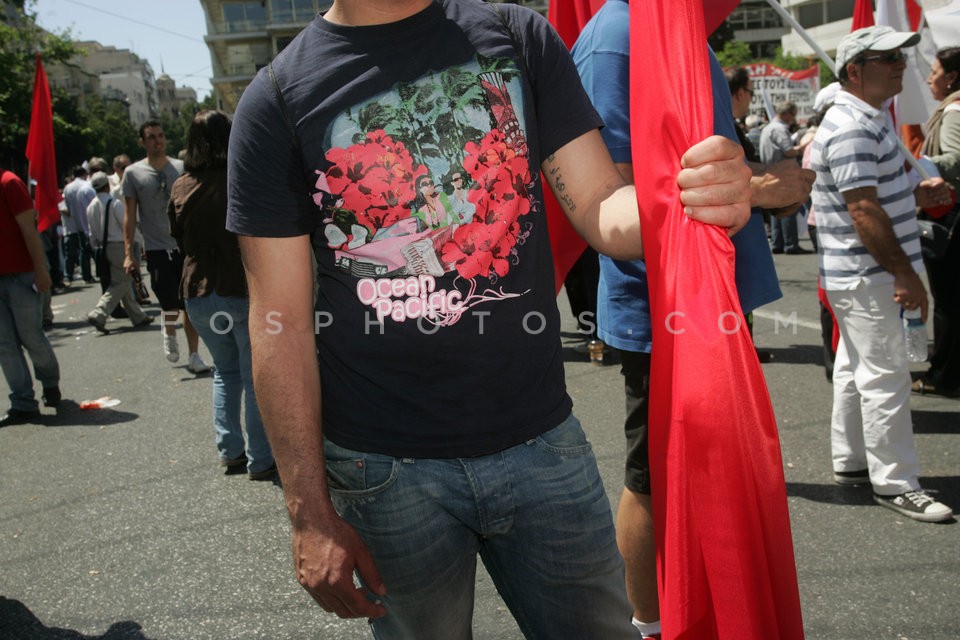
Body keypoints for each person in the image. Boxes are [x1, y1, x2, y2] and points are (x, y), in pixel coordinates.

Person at [226, 0, 752, 636]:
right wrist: (308, 513)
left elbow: (598, 201)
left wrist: (686, 200)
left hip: (542, 441)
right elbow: (277, 321)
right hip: (383, 469)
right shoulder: (276, 98)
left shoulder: (515, 35)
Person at [573, 8, 812, 637]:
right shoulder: (617, 37)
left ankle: (702, 604)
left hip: (714, 293)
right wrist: (765, 187)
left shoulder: (678, 33)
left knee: (707, 473)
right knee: (652, 476)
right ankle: (650, 624)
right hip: (666, 304)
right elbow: (621, 190)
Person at [811, 26, 954, 522]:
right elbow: (863, 210)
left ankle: (852, 459)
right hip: (869, 274)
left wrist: (916, 197)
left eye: (900, 56)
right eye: (886, 57)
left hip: (857, 273)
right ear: (854, 70)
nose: (899, 65)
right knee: (885, 376)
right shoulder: (853, 125)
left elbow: (869, 199)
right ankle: (896, 481)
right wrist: (904, 274)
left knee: (856, 367)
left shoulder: (862, 118)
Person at [168, 110, 275, 481]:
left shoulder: (181, 184)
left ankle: (230, 450)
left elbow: (178, 238)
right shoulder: (241, 178)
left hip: (196, 291)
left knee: (224, 373)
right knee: (252, 375)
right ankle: (260, 459)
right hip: (238, 287)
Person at [122, 119, 211, 374]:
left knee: (190, 302)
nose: (157, 141)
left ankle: (194, 354)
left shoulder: (181, 167)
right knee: (169, 303)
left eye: (160, 135)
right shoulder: (133, 173)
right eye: (151, 137)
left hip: (185, 246)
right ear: (142, 141)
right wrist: (129, 253)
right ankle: (169, 331)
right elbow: (130, 215)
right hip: (157, 248)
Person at [915, 46, 960, 397]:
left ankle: (945, 375)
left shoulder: (954, 111)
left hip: (950, 215)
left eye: (935, 70)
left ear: (952, 77)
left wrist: (920, 167)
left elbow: (955, 159)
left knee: (948, 301)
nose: (930, 77)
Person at [0, 167, 61, 427]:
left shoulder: (9, 183)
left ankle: (50, 382)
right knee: (5, 345)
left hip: (21, 276)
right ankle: (23, 402)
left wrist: (41, 270)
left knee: (32, 338)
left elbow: (29, 230)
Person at [84, 172, 153, 332]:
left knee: (124, 280)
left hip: (102, 247)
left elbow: (91, 233)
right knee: (120, 282)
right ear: (107, 186)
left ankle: (138, 316)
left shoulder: (91, 206)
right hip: (118, 246)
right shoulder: (114, 204)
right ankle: (99, 313)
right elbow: (127, 226)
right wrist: (141, 241)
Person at [760, 101, 812, 254]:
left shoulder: (769, 127)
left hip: (770, 172)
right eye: (793, 115)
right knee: (788, 208)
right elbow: (789, 151)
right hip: (782, 173)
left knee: (776, 210)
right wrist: (804, 147)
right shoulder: (779, 129)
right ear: (786, 114)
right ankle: (790, 244)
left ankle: (778, 243)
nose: (794, 119)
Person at [61, 165, 96, 283]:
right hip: (89, 220)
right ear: (85, 174)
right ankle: (100, 272)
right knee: (94, 248)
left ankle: (86, 275)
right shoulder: (87, 185)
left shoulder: (67, 188)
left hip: (76, 222)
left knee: (83, 251)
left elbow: (69, 208)